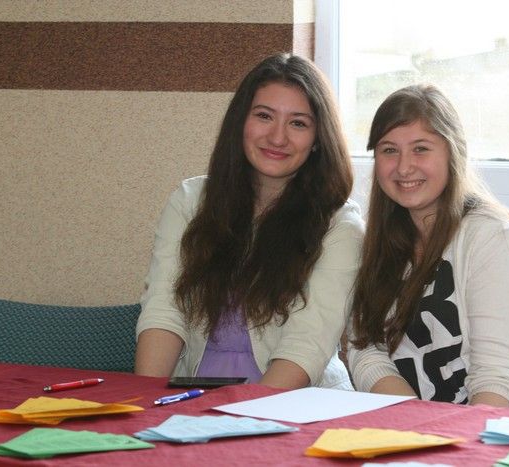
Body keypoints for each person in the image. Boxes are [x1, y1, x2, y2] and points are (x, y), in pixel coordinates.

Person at [135, 53, 363, 390]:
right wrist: (146, 401)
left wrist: (244, 418)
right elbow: (164, 310)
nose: (277, 137)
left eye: (298, 123)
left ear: (318, 139)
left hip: (294, 403)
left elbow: (306, 346)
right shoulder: (189, 202)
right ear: (240, 121)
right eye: (264, 116)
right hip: (191, 396)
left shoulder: (340, 225)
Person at [348, 84, 509, 412]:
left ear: (454, 153)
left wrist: (449, 437)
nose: (404, 167)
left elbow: (497, 379)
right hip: (425, 431)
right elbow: (367, 352)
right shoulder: (375, 242)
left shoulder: (491, 235)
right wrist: (417, 426)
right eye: (389, 150)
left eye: (421, 149)